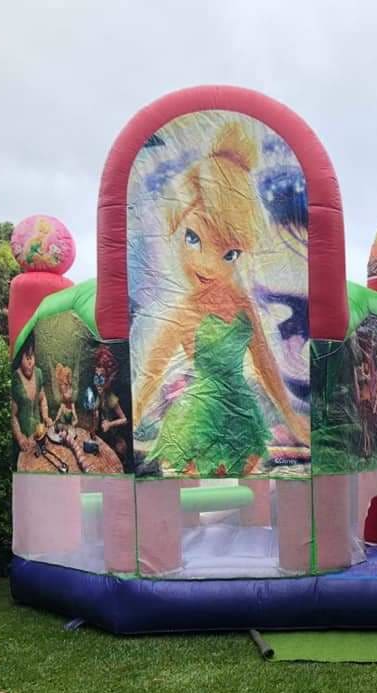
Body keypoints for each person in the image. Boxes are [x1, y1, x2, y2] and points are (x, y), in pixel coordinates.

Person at [132, 121, 310, 477]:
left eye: (228, 254)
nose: (206, 264)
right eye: (193, 239)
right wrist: (130, 420)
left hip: (241, 416)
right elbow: (151, 371)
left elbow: (266, 366)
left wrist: (292, 418)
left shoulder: (243, 305)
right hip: (198, 416)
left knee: (247, 492)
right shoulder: (183, 311)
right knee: (189, 488)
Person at [11, 332, 52, 454]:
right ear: (20, 358)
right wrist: (19, 437)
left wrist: (45, 417)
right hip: (24, 442)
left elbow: (42, 398)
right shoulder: (15, 380)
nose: (31, 362)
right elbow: (12, 415)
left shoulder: (38, 373)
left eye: (32, 356)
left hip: (38, 435)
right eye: (27, 358)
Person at [92, 345, 129, 463]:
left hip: (114, 436)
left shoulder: (110, 397)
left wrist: (110, 424)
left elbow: (124, 420)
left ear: (107, 379)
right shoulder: (98, 395)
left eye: (101, 378)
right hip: (102, 435)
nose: (98, 382)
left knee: (119, 450)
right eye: (96, 377)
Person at [53, 363, 78, 427]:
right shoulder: (62, 391)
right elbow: (61, 408)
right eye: (61, 384)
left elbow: (73, 408)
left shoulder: (70, 390)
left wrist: (76, 419)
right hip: (64, 412)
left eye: (64, 384)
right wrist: (55, 420)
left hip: (70, 412)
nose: (62, 386)